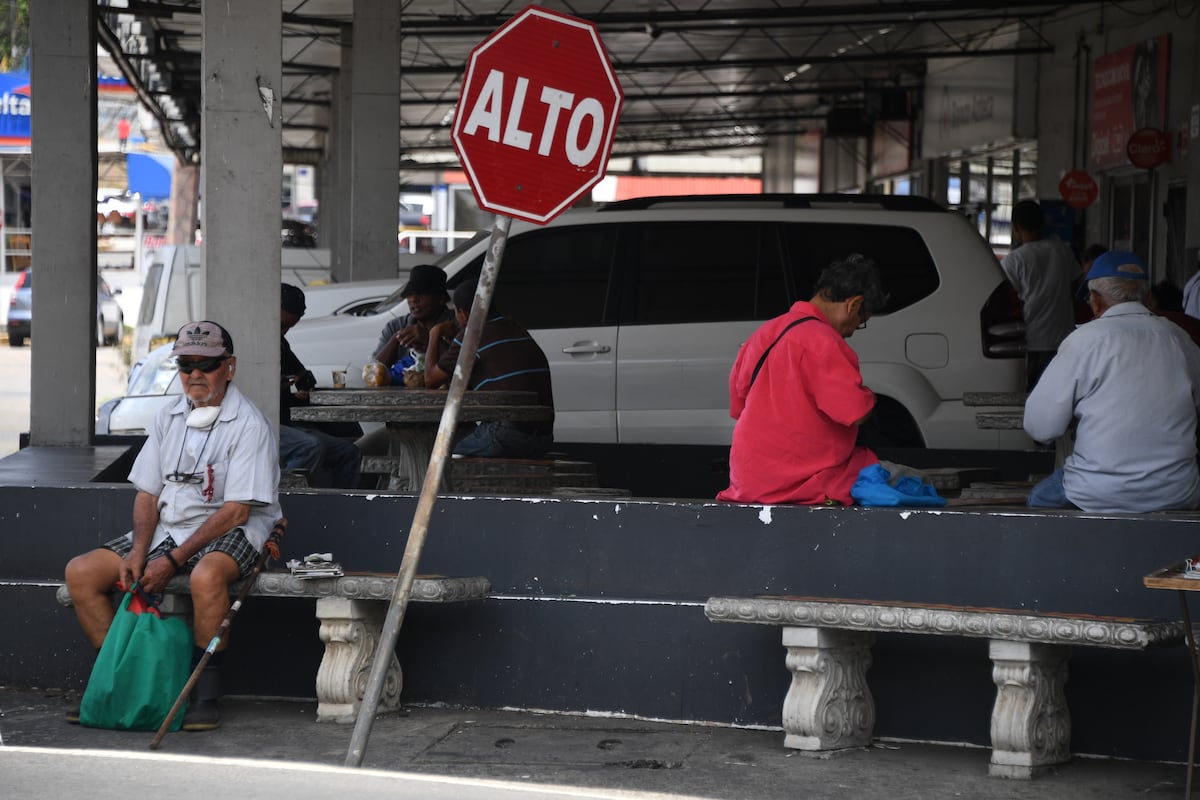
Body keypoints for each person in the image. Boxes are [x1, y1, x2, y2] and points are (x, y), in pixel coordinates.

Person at [64, 321, 282, 731]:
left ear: (229, 367)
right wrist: (138, 552)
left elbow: (237, 511)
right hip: (170, 528)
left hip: (233, 528)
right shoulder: (169, 414)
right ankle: (120, 682)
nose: (195, 374)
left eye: (207, 364)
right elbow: (147, 494)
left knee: (205, 576)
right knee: (82, 572)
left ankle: (204, 695)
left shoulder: (250, 424)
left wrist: (173, 560)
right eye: (186, 364)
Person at [1024, 251, 1200, 513]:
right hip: (1177, 490)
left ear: (1095, 300)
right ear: (1148, 295)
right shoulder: (1180, 339)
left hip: (1096, 490)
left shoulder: (1084, 340)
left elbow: (1040, 428)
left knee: (1038, 500)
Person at [717, 253, 887, 506]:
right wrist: (869, 397)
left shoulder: (762, 334)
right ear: (853, 304)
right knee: (897, 479)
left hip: (748, 481)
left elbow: (738, 407)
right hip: (801, 482)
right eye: (860, 322)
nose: (852, 331)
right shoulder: (823, 341)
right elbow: (855, 413)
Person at [424, 281, 555, 458]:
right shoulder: (515, 326)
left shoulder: (472, 335)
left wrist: (434, 333)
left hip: (507, 436)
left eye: (455, 313)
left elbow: (430, 379)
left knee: (436, 453)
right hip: (544, 438)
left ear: (463, 313)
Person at [279, 283, 361, 489]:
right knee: (310, 448)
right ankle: (282, 504)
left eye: (289, 326)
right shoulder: (249, 341)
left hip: (287, 422)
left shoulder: (280, 343)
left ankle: (342, 516)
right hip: (262, 425)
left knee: (349, 452)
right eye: (281, 324)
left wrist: (298, 390)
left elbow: (304, 378)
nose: (284, 331)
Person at [1000, 200, 1078, 390]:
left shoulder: (1014, 260)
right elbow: (1076, 282)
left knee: (1030, 398)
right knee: (1059, 396)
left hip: (1031, 341)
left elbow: (1006, 300)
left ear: (1016, 227)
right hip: (1063, 340)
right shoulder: (1062, 250)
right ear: (1042, 224)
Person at [372, 264, 455, 387]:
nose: (413, 299)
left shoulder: (455, 324)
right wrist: (397, 339)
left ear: (441, 298)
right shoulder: (396, 326)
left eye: (421, 293)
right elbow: (372, 373)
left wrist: (430, 339)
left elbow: (461, 369)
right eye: (409, 294)